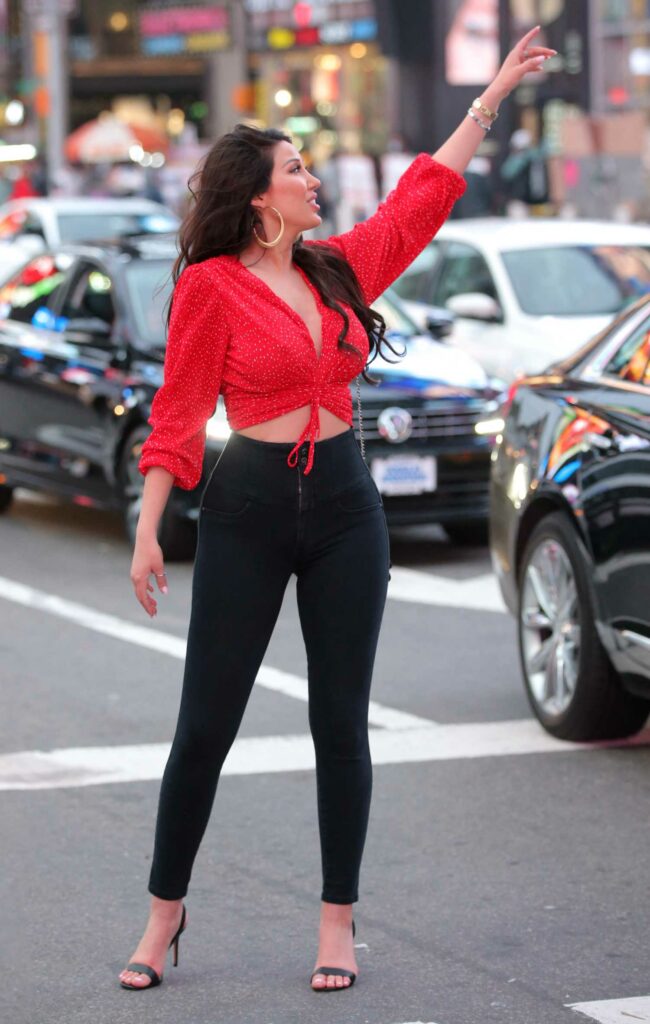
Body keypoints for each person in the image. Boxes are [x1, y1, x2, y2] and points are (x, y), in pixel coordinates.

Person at [119, 26, 555, 995]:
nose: (313, 180)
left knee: (338, 721)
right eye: (298, 169)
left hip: (347, 506)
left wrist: (487, 96)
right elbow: (179, 412)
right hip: (247, 507)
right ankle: (162, 913)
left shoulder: (335, 270)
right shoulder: (210, 288)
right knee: (206, 725)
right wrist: (150, 525)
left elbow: (421, 201)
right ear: (258, 196)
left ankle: (336, 921)